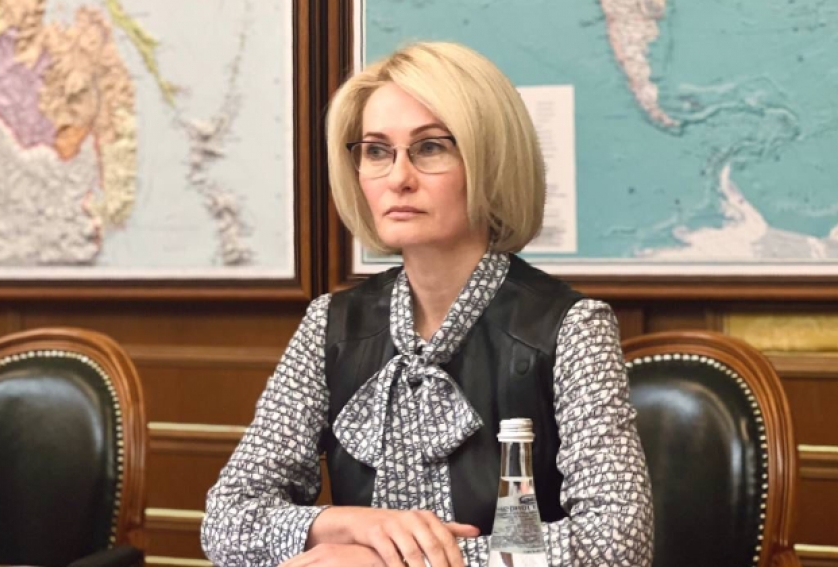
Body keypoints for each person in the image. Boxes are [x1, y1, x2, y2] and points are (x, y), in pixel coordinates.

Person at [201, 41, 653, 567]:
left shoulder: (574, 327)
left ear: (491, 160)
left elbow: (617, 544)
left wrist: (395, 562)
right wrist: (352, 525)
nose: (398, 178)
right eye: (376, 151)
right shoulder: (330, 324)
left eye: (431, 147)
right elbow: (227, 522)